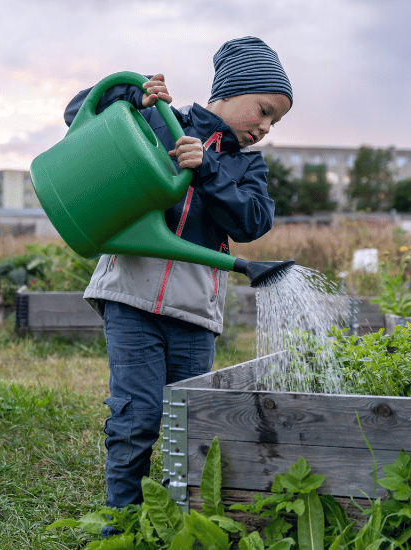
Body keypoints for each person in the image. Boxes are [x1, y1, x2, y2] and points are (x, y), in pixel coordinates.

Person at [62, 36, 293, 514]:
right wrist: (132, 96)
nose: (266, 127)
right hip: (131, 296)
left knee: (190, 425)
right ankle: (120, 524)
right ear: (229, 91)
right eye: (265, 110)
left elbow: (252, 220)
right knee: (136, 417)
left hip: (194, 312)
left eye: (275, 121)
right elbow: (78, 114)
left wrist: (208, 169)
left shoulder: (245, 166)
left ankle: (176, 520)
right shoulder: (158, 120)